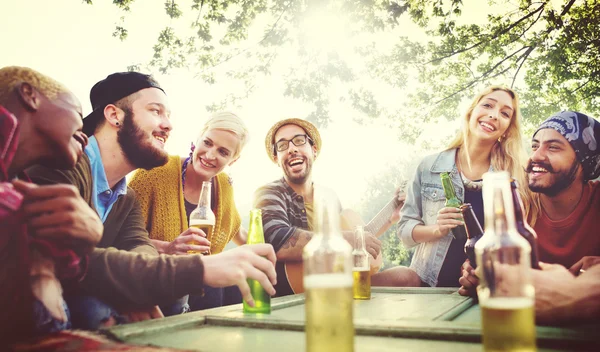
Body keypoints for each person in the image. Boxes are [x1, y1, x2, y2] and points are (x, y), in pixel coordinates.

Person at [26, 72, 277, 330]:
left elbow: (139, 245)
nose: (168, 125)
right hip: (32, 301)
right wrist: (199, 268)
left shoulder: (126, 197)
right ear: (115, 115)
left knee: (173, 297)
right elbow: (65, 258)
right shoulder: (59, 165)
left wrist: (138, 288)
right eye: (156, 111)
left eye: (168, 116)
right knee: (94, 308)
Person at [254, 118, 420, 297]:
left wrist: (390, 217)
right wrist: (347, 239)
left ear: (314, 150)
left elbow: (353, 243)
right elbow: (278, 241)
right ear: (276, 159)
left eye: (299, 141)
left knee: (406, 277)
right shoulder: (269, 193)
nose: (292, 148)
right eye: (282, 145)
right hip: (296, 293)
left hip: (338, 283)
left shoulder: (328, 197)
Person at [0, 66, 102, 343]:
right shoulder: (19, 201)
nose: (85, 135)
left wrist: (81, 244)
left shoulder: (26, 184)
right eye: (78, 116)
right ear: (29, 95)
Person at [399, 86, 534, 288]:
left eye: (505, 113)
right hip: (427, 286)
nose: (494, 115)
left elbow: (516, 241)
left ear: (507, 128)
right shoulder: (429, 166)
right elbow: (405, 232)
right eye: (488, 105)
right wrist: (437, 229)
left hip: (484, 288)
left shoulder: (511, 177)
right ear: (471, 111)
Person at [129, 111, 249, 312]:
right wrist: (168, 248)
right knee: (208, 281)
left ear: (233, 160)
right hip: (153, 278)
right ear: (197, 139)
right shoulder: (153, 173)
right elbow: (120, 239)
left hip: (200, 284)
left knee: (237, 282)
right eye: (208, 143)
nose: (210, 155)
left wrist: (272, 256)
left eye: (223, 152)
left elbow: (237, 231)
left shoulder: (224, 186)